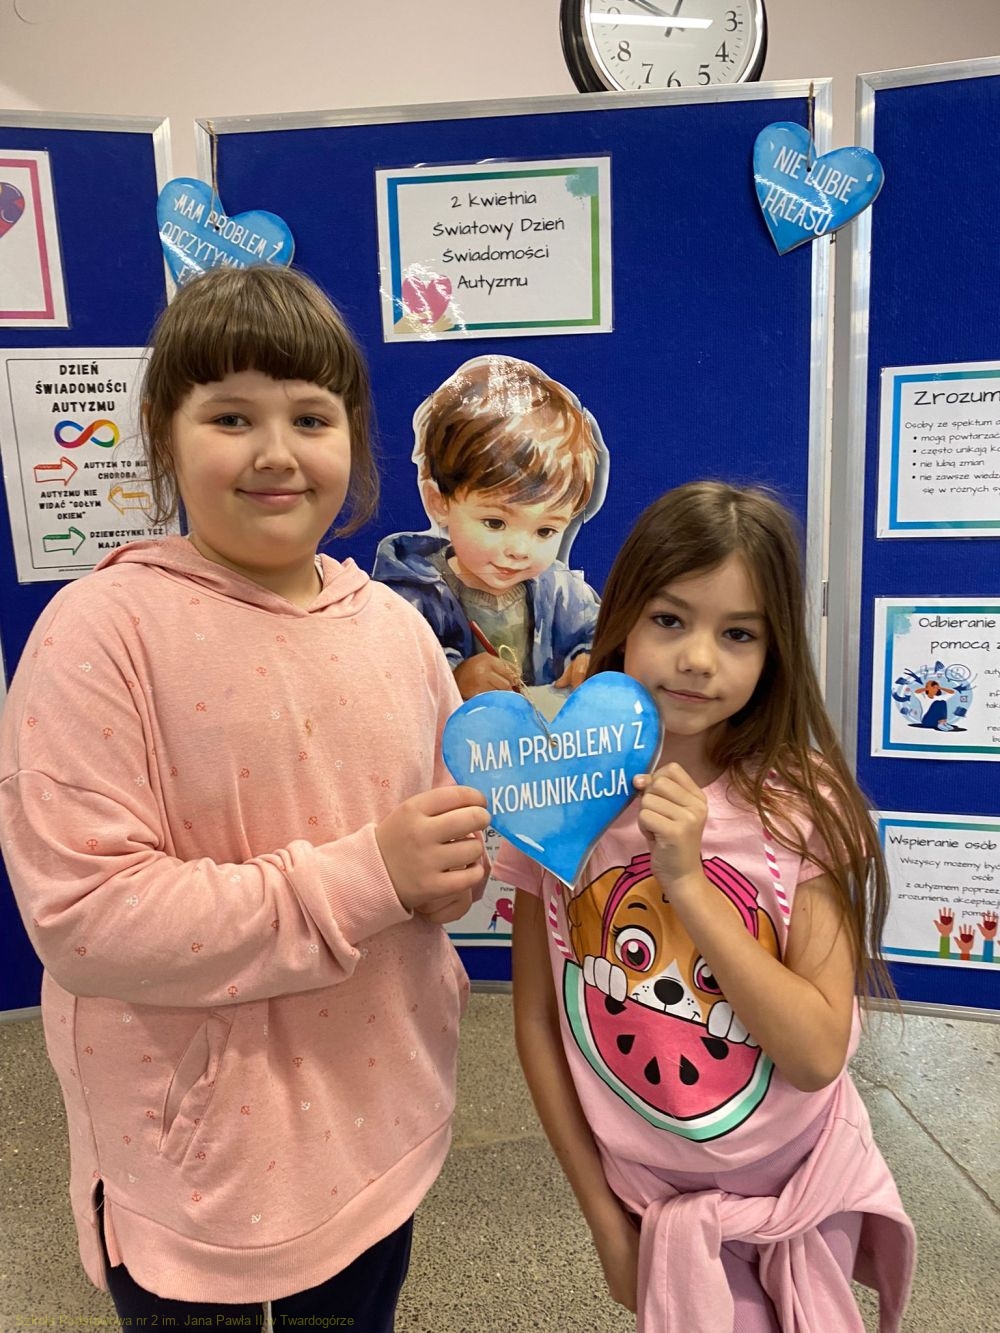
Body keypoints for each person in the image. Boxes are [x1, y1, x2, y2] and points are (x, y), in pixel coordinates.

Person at [0, 265, 491, 1329]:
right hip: (196, 1164)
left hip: (375, 1125)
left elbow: (429, 847)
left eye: (311, 417)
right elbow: (86, 917)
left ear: (351, 439)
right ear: (165, 436)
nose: (276, 451)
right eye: (231, 416)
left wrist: (448, 872)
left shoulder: (398, 629)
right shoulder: (99, 635)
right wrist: (371, 874)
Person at [494, 481, 915, 1331]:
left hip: (802, 1190)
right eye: (669, 619)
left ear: (774, 649)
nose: (697, 658)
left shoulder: (801, 805)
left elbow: (814, 1052)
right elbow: (538, 1019)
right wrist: (604, 1220)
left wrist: (686, 881)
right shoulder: (558, 803)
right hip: (653, 1205)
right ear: (622, 620)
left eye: (738, 633)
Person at [372, 355, 609, 700]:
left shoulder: (560, 592)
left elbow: (597, 633)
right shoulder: (411, 597)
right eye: (495, 523)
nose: (519, 550)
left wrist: (588, 659)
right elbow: (387, 675)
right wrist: (455, 678)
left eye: (545, 531)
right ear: (439, 502)